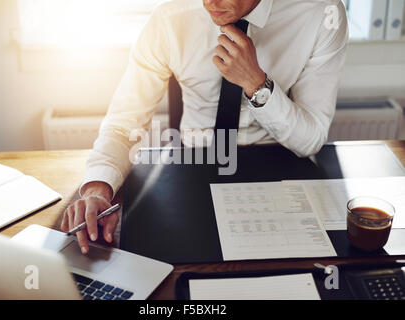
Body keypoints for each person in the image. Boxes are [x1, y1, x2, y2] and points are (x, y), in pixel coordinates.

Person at [61, 0, 349, 254]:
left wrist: (256, 84)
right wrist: (98, 188)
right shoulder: (169, 18)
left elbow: (310, 139)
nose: (209, 1)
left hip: (281, 171)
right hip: (191, 169)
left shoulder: (321, 13)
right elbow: (124, 124)